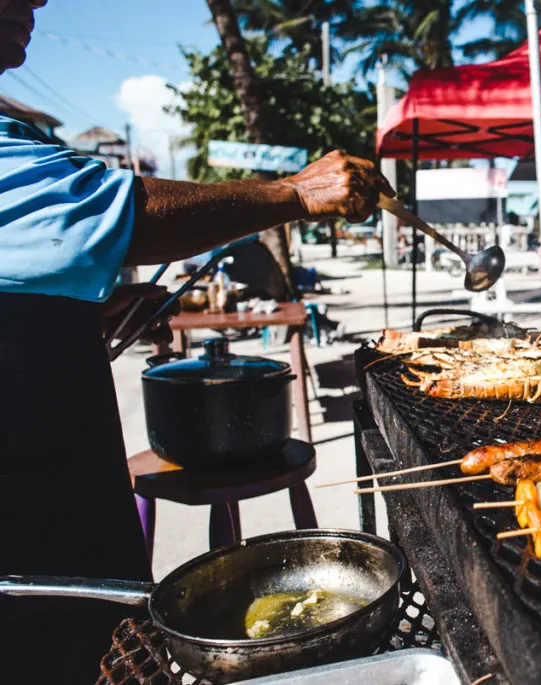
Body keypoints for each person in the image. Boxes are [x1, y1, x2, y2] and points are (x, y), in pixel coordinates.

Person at [0, 1, 394, 680]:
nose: (34, 1)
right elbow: (110, 210)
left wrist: (69, 321)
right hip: (29, 564)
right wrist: (297, 191)